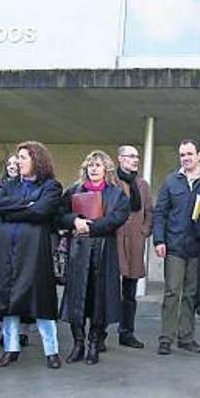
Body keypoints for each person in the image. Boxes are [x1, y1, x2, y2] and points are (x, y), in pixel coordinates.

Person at [0, 141, 62, 369]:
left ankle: (51, 351)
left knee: (41, 302)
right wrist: (27, 204)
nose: (18, 161)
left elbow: (41, 211)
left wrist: (14, 210)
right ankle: (11, 348)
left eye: (23, 157)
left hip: (34, 252)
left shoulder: (51, 186)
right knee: (8, 300)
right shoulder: (8, 184)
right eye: (17, 157)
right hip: (6, 251)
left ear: (37, 160)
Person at [152, 139, 200, 355]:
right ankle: (166, 338)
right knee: (172, 292)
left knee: (191, 294)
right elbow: (160, 213)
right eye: (182, 155)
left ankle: (186, 337)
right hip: (175, 245)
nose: (185, 158)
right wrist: (159, 240)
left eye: (189, 154)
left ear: (199, 155)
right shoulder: (171, 181)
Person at [59, 151, 129, 365]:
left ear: (106, 168)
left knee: (100, 298)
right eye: (90, 165)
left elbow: (118, 217)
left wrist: (91, 226)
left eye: (98, 165)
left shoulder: (116, 194)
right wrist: (74, 221)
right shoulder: (74, 190)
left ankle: (93, 343)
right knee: (76, 298)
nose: (94, 169)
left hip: (103, 249)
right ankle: (78, 343)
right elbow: (59, 215)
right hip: (79, 250)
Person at [115, 145, 153, 349]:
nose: (135, 160)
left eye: (137, 156)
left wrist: (144, 231)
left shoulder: (142, 184)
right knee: (108, 288)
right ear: (120, 158)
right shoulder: (112, 181)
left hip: (135, 243)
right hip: (115, 240)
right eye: (131, 156)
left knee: (129, 292)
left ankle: (126, 332)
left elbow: (149, 211)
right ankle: (100, 333)